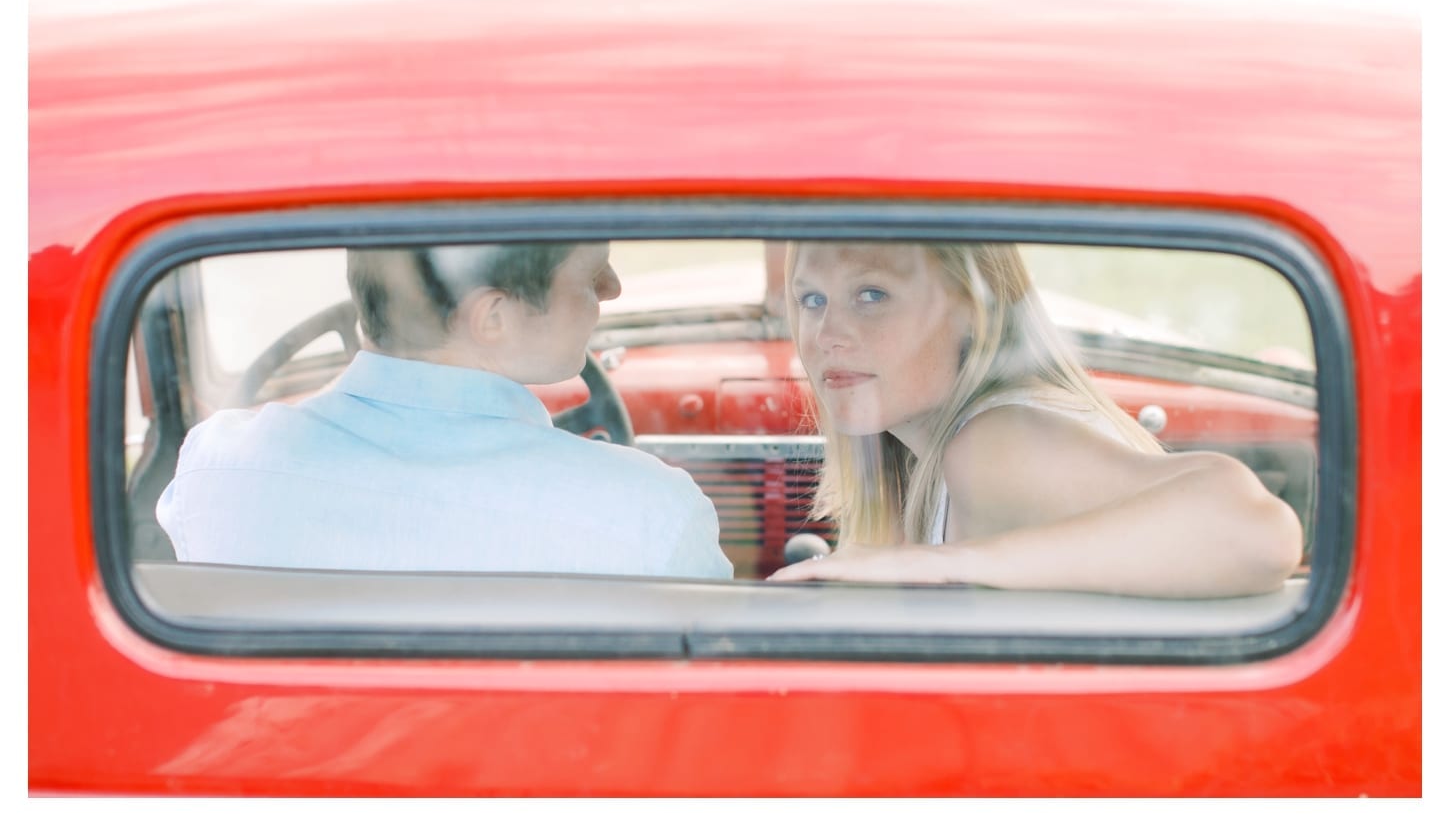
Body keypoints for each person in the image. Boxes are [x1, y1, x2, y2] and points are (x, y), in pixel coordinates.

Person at [157, 242, 734, 579]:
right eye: (591, 273)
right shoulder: (654, 517)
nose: (612, 288)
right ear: (493, 319)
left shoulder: (215, 473)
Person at [768, 241, 1303, 597]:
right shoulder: (938, 451)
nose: (827, 334)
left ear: (971, 311)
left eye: (871, 295)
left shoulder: (992, 444)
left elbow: (1257, 530)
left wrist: (938, 564)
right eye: (811, 299)